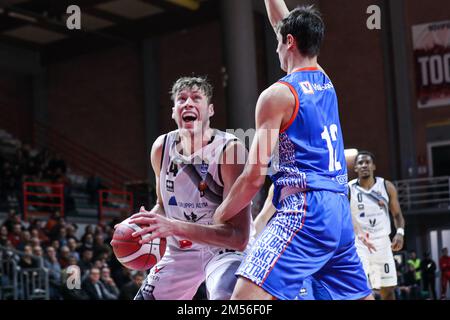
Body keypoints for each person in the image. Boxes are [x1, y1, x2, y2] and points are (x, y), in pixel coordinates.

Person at [212, 0, 373, 300]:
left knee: (242, 301)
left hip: (306, 210)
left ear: (289, 42)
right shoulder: (326, 81)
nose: (275, 50)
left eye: (278, 42)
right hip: (338, 211)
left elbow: (253, 178)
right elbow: (282, 23)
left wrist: (219, 215)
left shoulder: (278, 95)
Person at [126, 76, 252, 300]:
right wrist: (139, 227)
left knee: (228, 296)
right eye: (181, 99)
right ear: (174, 111)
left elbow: (239, 237)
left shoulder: (230, 151)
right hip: (180, 250)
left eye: (196, 98)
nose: (188, 103)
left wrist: (172, 226)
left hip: (223, 250)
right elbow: (162, 206)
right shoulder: (161, 148)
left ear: (210, 110)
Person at [349, 151, 406, 300]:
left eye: (367, 162)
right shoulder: (349, 189)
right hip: (360, 245)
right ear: (355, 168)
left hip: (382, 243)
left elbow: (398, 215)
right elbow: (344, 217)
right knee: (361, 288)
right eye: (360, 163)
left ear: (374, 166)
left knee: (388, 290)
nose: (364, 165)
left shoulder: (386, 186)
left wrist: (400, 232)